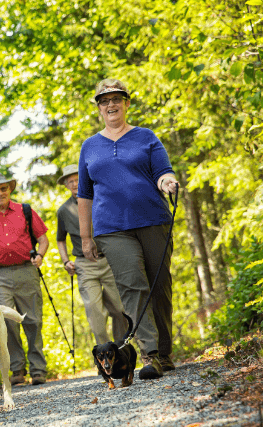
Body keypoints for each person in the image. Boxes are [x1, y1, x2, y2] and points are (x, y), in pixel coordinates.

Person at [77, 79, 179, 380]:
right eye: (104, 100)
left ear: (126, 103)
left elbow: (163, 172)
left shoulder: (145, 137)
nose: (111, 105)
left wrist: (168, 182)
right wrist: (86, 236)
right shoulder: (90, 146)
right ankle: (150, 354)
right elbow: (85, 194)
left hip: (153, 220)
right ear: (98, 107)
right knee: (133, 286)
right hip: (111, 228)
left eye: (117, 99)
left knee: (159, 287)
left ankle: (165, 352)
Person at [0, 173, 50, 386]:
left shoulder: (25, 211)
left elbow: (43, 239)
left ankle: (38, 369)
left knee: (33, 320)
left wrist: (40, 255)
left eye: (3, 189)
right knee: (7, 321)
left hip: (26, 270)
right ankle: (17, 369)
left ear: (10, 190)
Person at [56, 164, 128, 346]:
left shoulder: (102, 199)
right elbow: (60, 239)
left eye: (77, 179)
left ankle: (121, 348)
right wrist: (66, 261)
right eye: (70, 181)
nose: (74, 184)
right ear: (65, 184)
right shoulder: (63, 211)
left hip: (109, 259)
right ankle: (105, 352)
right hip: (84, 264)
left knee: (120, 309)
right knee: (95, 311)